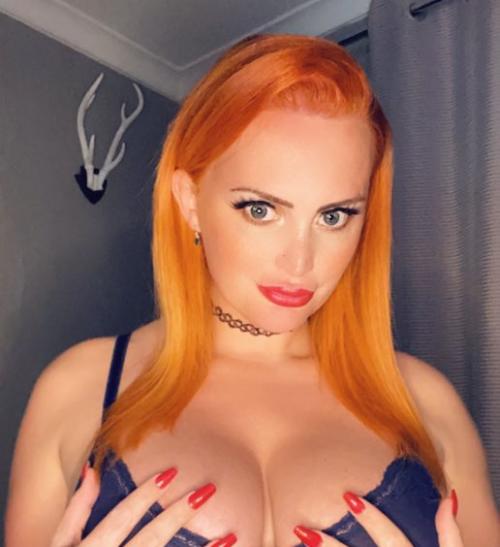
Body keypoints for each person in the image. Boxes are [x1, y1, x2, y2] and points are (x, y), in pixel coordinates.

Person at [5, 33, 499, 547]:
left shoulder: (428, 401)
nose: (300, 261)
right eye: (261, 210)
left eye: (334, 216)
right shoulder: (78, 387)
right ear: (190, 202)